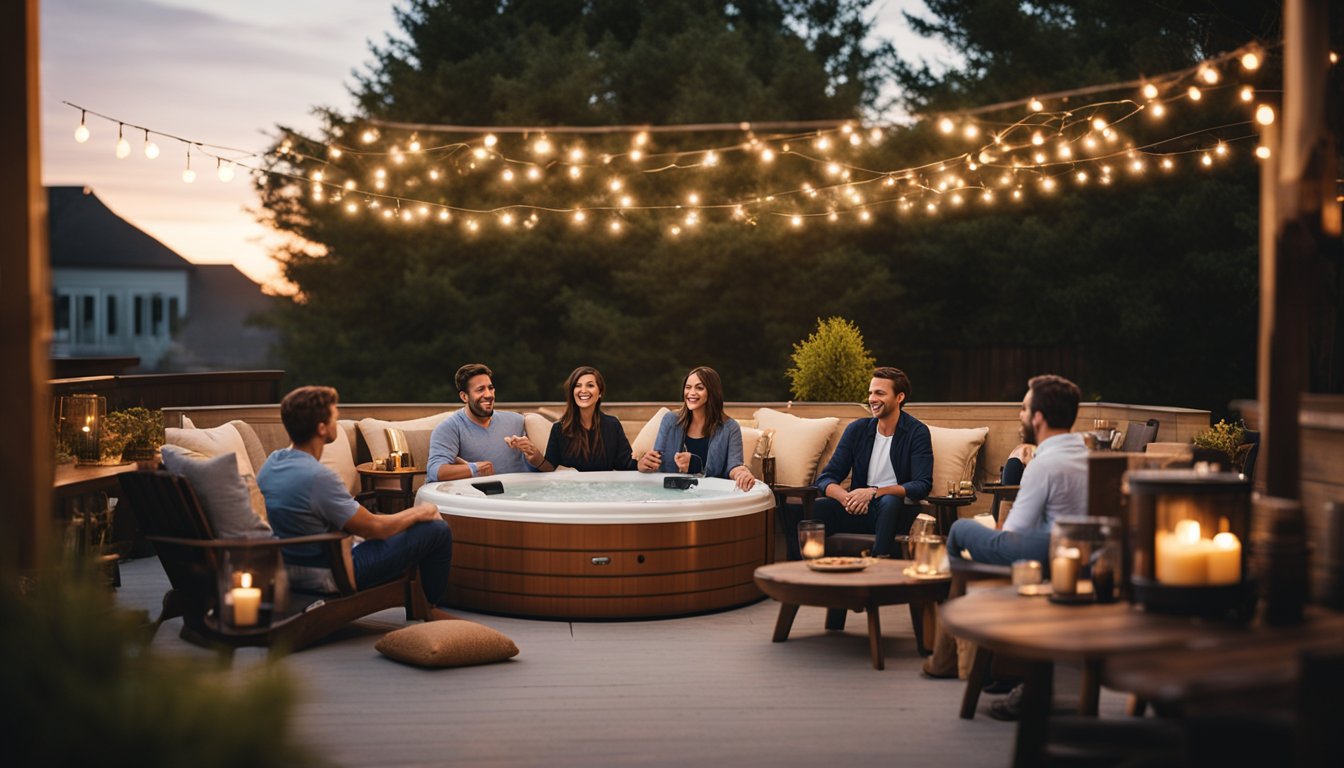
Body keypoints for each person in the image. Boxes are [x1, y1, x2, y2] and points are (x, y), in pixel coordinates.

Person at [258, 385, 453, 604]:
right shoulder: (318, 477)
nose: (338, 421)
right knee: (437, 529)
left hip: (289, 569)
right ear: (322, 428)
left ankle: (421, 604)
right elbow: (375, 529)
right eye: (334, 417)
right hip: (333, 573)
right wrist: (421, 512)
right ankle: (431, 607)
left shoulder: (272, 463)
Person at [946, 374, 1089, 566]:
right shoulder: (1090, 456)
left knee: (959, 528)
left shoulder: (1043, 464)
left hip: (1047, 555)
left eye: (1024, 409)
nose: (1020, 415)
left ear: (1038, 417)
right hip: (1081, 555)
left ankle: (955, 592)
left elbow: (1014, 532)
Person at [809, 367, 934, 558]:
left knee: (890, 501)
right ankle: (815, 568)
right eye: (871, 393)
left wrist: (874, 492)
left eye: (880, 393)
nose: (872, 399)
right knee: (821, 506)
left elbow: (921, 485)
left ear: (899, 397)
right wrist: (846, 498)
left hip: (898, 512)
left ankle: (879, 562)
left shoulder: (916, 432)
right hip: (860, 509)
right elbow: (826, 478)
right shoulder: (856, 430)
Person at [636, 366, 757, 491]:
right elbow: (656, 462)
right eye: (688, 387)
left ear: (712, 392)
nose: (691, 393)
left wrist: (741, 474)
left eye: (699, 388)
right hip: (671, 494)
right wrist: (643, 465)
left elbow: (734, 466)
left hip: (711, 494)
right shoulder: (670, 420)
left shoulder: (730, 427)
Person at [427, 363, 535, 480]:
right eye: (480, 390)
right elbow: (435, 471)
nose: (488, 395)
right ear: (464, 397)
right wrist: (474, 469)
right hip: (478, 496)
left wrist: (535, 456)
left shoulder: (516, 421)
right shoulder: (450, 427)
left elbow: (537, 471)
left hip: (520, 493)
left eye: (490, 388)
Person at [529, 366, 637, 472]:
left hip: (604, 488)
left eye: (590, 385)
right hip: (572, 488)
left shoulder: (612, 425)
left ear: (600, 392)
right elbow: (551, 467)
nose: (583, 390)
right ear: (572, 392)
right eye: (577, 385)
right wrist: (536, 458)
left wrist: (642, 464)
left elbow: (625, 464)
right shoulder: (559, 428)